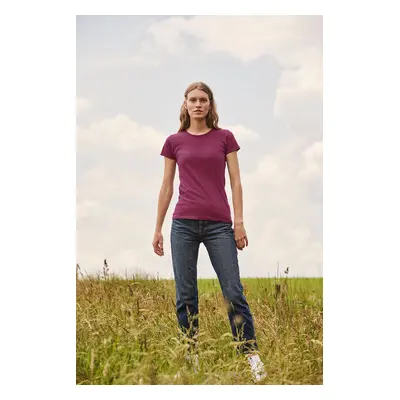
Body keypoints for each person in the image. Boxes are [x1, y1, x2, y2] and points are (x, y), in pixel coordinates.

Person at [153, 81, 266, 382]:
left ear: (210, 105)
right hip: (183, 225)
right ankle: (191, 357)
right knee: (185, 294)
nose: (198, 104)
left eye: (203, 99)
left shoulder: (225, 138)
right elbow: (166, 187)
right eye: (193, 99)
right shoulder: (173, 142)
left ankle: (251, 356)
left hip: (219, 225)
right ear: (185, 105)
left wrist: (238, 222)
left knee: (233, 291)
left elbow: (236, 181)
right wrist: (158, 228)